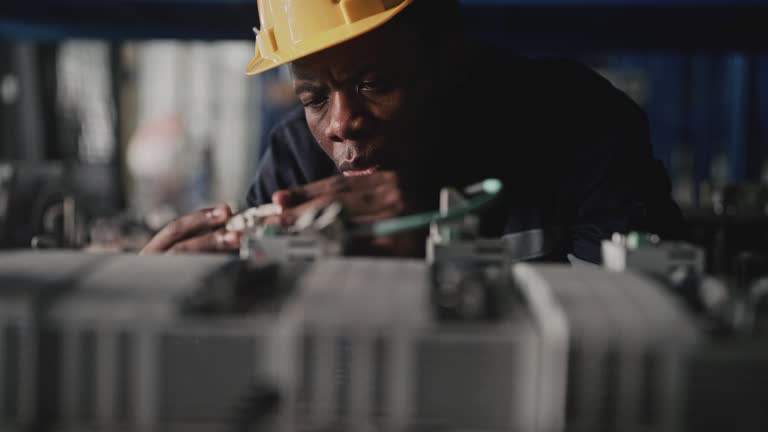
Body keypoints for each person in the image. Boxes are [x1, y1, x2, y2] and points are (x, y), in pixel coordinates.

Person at [141, 0, 685, 263]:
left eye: (374, 82)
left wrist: (431, 248)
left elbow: (644, 327)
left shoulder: (577, 124)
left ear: (449, 55)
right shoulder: (294, 163)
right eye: (313, 98)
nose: (341, 123)